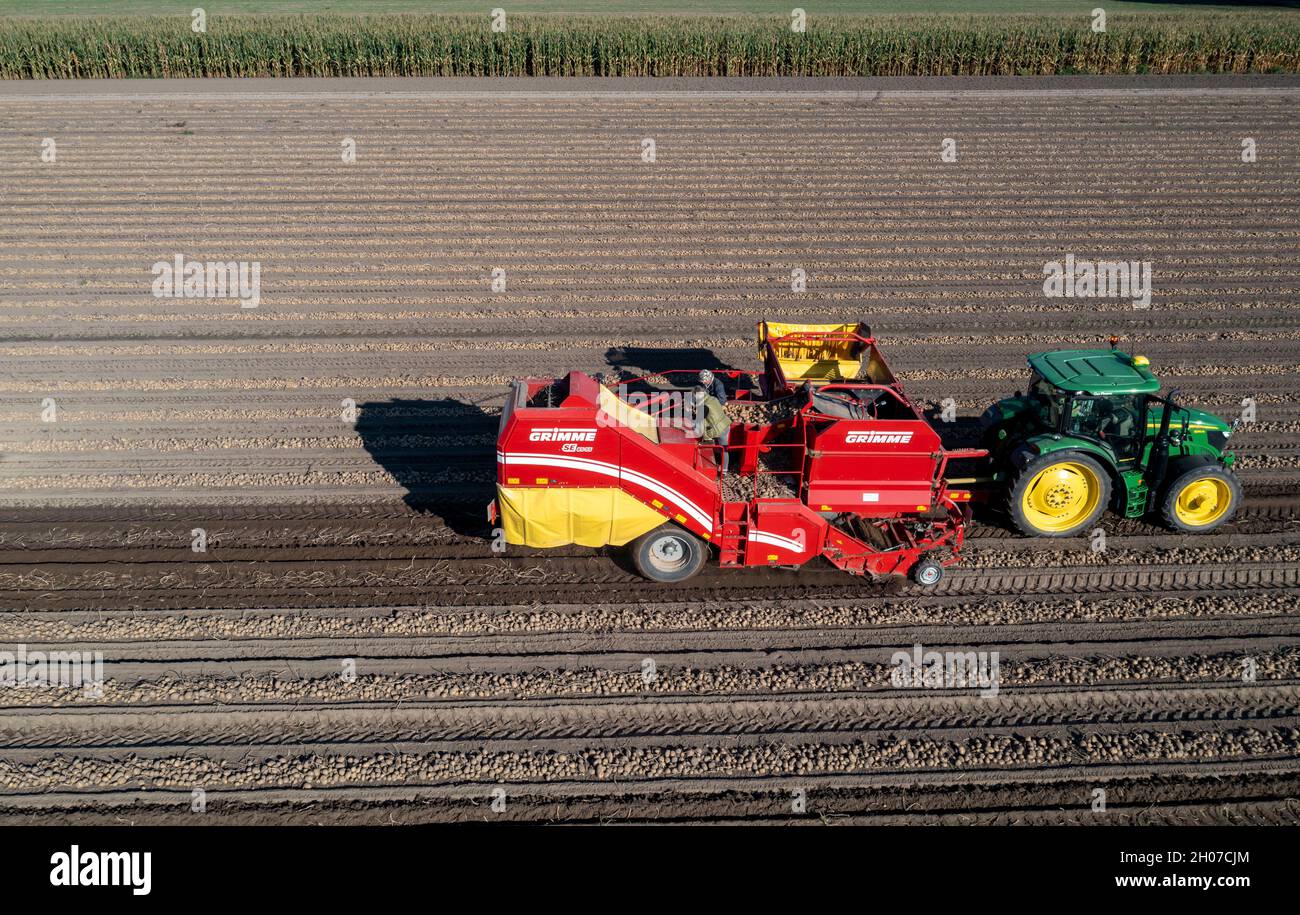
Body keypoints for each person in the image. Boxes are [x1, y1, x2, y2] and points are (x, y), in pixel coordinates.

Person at [691, 385, 731, 472]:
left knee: (723, 449)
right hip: (725, 424)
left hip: (719, 429)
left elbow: (698, 418)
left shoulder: (705, 405)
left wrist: (692, 413)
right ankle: (721, 466)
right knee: (722, 448)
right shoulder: (712, 399)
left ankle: (724, 470)